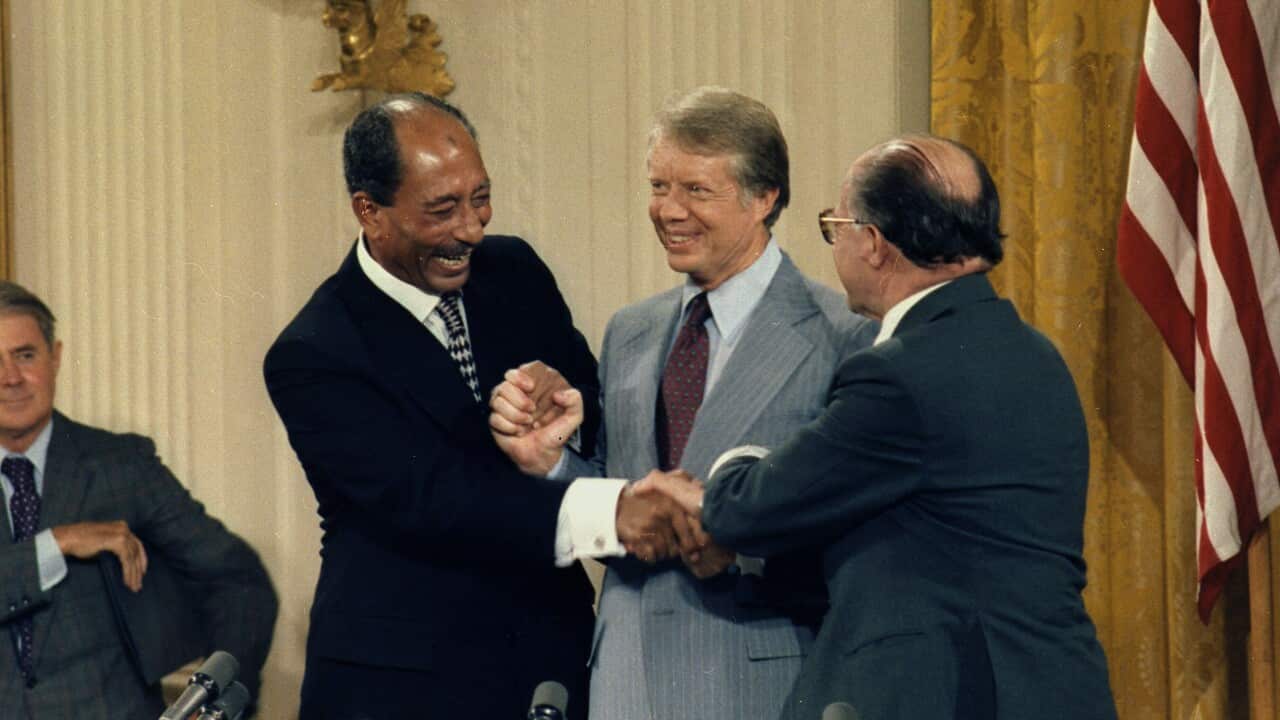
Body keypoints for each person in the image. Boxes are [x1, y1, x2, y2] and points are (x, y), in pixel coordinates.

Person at [646, 135, 1118, 719]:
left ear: (871, 242)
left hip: (951, 697)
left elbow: (747, 508)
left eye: (835, 224)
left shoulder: (901, 374)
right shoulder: (1037, 355)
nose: (835, 241)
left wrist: (727, 466)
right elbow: (916, 546)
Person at [264, 92, 689, 720]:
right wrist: (612, 510)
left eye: (480, 197)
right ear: (370, 211)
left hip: (547, 664)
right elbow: (433, 499)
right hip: (402, 685)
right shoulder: (315, 351)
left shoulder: (513, 272)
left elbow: (598, 414)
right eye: (443, 209)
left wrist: (565, 414)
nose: (471, 228)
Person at [489, 87, 874, 720]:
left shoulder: (840, 335)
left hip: (755, 677)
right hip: (624, 679)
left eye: (696, 190)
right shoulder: (630, 331)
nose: (669, 210)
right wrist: (551, 466)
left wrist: (740, 545)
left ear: (764, 198)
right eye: (658, 186)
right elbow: (627, 504)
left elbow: (851, 530)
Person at [0, 281, 277, 719]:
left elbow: (239, 581)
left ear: (55, 357)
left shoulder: (122, 467)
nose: (9, 378)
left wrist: (220, 702)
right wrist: (57, 544)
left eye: (25, 355)